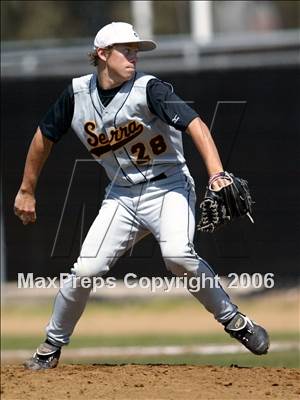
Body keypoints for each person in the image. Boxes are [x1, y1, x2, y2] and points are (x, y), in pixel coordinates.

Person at [14, 22, 269, 370]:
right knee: (85, 270)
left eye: (136, 50)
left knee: (178, 255)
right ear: (102, 54)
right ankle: (51, 346)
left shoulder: (151, 89)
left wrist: (216, 174)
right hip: (120, 195)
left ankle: (235, 321)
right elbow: (44, 135)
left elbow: (195, 124)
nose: (134, 55)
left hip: (169, 188)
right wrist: (27, 189)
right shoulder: (75, 95)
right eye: (126, 49)